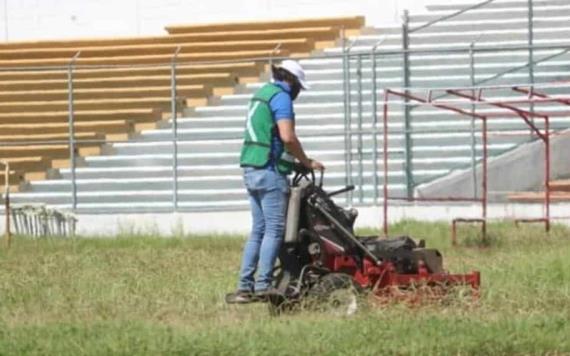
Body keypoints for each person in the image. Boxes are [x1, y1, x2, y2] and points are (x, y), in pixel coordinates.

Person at [227, 59, 325, 303]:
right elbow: (287, 137)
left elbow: (269, 139)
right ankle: (263, 285)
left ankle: (244, 286)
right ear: (291, 81)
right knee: (274, 230)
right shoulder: (281, 97)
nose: (298, 93)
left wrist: (293, 163)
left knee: (258, 230)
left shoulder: (261, 94)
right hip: (269, 172)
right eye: (299, 87)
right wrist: (306, 161)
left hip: (251, 168)